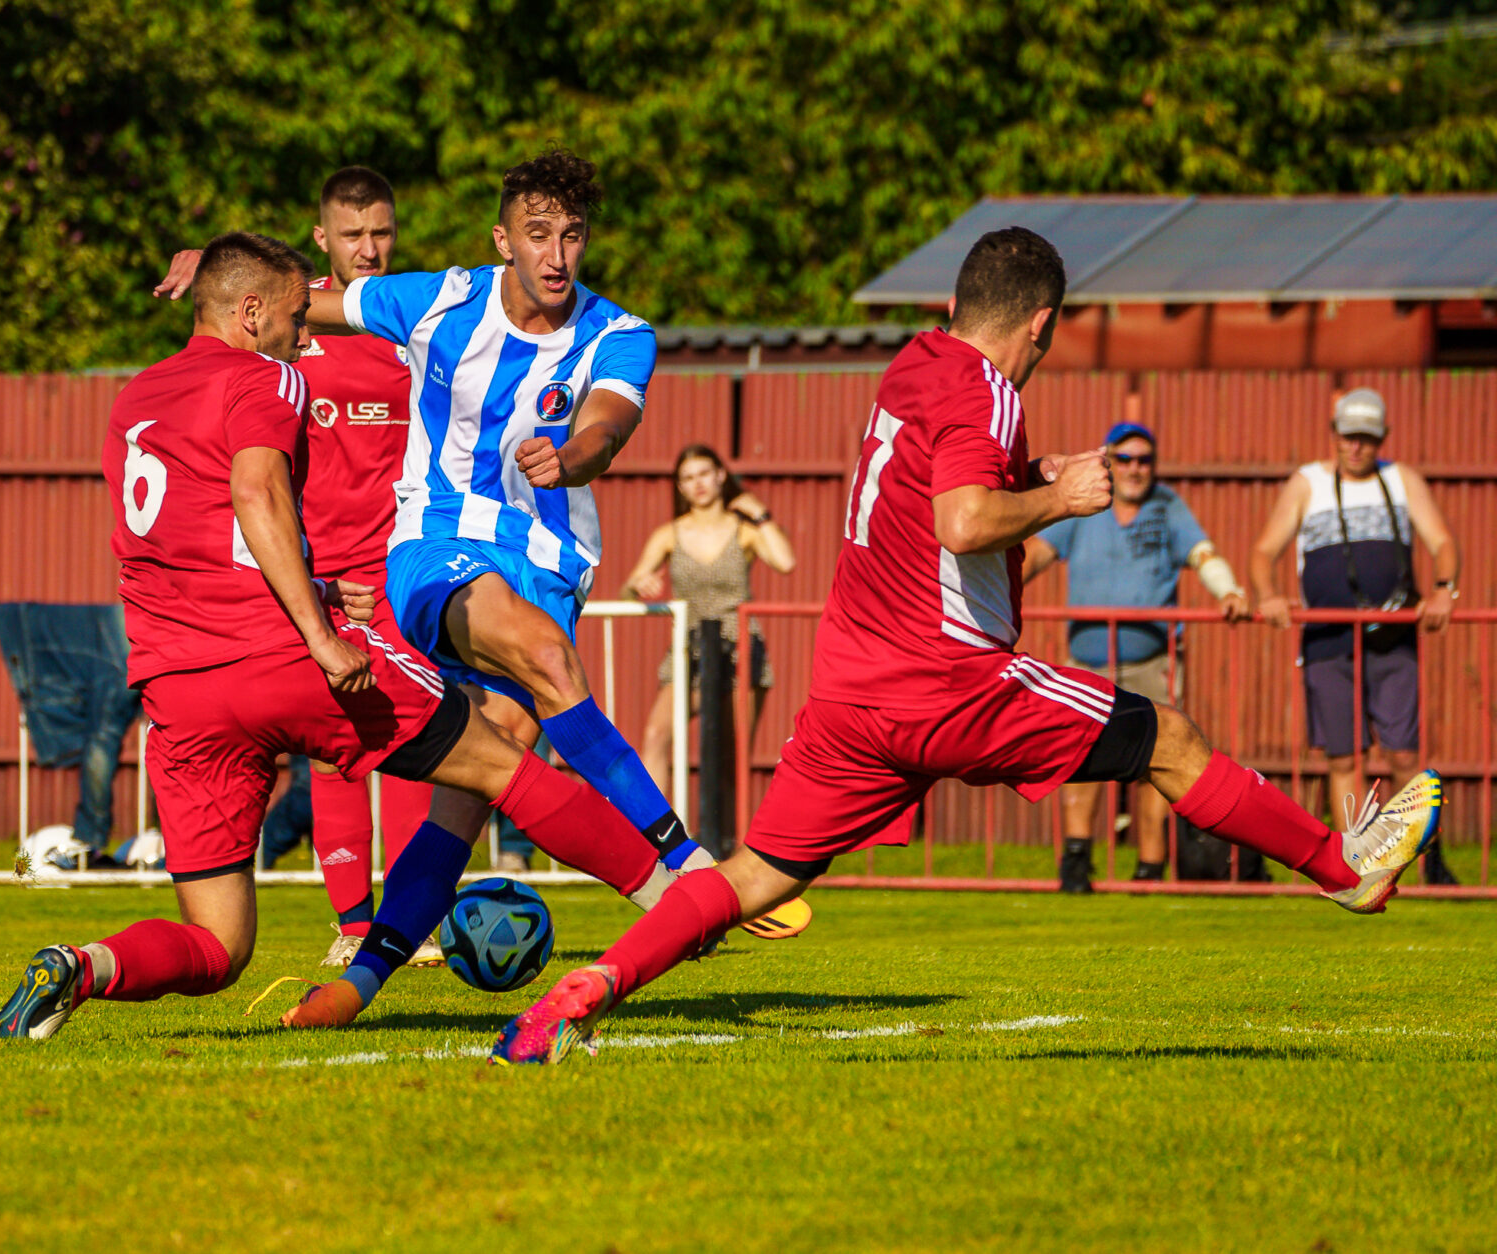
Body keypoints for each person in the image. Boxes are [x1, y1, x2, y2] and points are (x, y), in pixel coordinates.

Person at [486, 226, 1444, 1066]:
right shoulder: (986, 388)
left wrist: (1031, 472)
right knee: (1171, 738)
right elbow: (965, 517)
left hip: (849, 698)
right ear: (1042, 326)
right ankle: (1345, 871)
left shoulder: (913, 365)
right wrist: (1059, 496)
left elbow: (943, 487)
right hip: (949, 683)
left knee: (748, 878)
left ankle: (585, 993)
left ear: (952, 306)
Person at [0, 233, 680, 1041]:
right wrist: (319, 627)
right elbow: (255, 494)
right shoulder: (265, 375)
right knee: (502, 763)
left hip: (179, 689)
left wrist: (310, 584)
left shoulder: (135, 397)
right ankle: (687, 905)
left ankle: (81, 964)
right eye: (289, 317)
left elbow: (190, 539)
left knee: (217, 945)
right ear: (248, 314)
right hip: (282, 656)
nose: (303, 336)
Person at [295, 166, 435, 966]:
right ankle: (352, 926)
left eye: (381, 232)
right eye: (352, 235)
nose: (369, 249)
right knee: (337, 743)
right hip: (316, 578)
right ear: (324, 239)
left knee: (417, 732)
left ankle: (407, 924)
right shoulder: (291, 323)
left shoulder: (417, 322)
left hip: (398, 567)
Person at [1023, 420, 1249, 889]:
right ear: (1109, 462)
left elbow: (1204, 554)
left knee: (1157, 762)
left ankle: (1149, 868)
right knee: (1075, 759)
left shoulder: (1168, 507)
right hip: (1087, 661)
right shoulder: (1085, 505)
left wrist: (1228, 591)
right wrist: (991, 591)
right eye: (1124, 458)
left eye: (1144, 460)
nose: (1135, 469)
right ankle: (1076, 863)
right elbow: (1036, 554)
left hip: (1152, 662)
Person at [1250, 387, 1461, 884]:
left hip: (1394, 637)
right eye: (1348, 437)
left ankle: (1428, 859)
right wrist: (1269, 594)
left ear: (1382, 438)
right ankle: (1359, 866)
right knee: (1344, 756)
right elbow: (1264, 552)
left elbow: (1443, 542)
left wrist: (1445, 589)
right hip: (1328, 640)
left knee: (1405, 754)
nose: (1357, 447)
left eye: (1367, 438)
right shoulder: (1307, 483)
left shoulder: (1402, 479)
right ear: (1335, 436)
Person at [621, 444, 795, 805]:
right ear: (679, 487)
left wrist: (760, 514)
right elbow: (627, 590)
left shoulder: (744, 530)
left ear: (720, 476)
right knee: (656, 734)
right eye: (687, 478)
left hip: (739, 646)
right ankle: (656, 835)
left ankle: (731, 847)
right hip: (688, 648)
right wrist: (639, 584)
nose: (697, 483)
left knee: (732, 751)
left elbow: (785, 562)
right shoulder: (669, 534)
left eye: (703, 473)